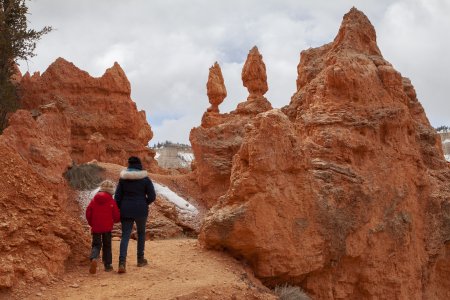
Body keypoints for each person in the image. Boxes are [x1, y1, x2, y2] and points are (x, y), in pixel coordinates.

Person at [114, 156, 156, 273]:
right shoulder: (145, 179)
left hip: (126, 210)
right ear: (139, 165)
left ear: (129, 164)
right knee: (141, 233)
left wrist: (120, 207)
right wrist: (144, 202)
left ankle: (122, 263)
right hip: (141, 210)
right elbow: (152, 196)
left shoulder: (123, 179)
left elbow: (117, 197)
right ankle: (140, 260)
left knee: (125, 235)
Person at [85, 180, 121, 274]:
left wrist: (91, 223)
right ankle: (108, 265)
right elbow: (116, 215)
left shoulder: (94, 200)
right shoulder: (111, 201)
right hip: (107, 228)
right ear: (111, 191)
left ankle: (94, 258)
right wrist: (116, 220)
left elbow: (88, 213)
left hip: (96, 227)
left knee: (96, 244)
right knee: (107, 245)